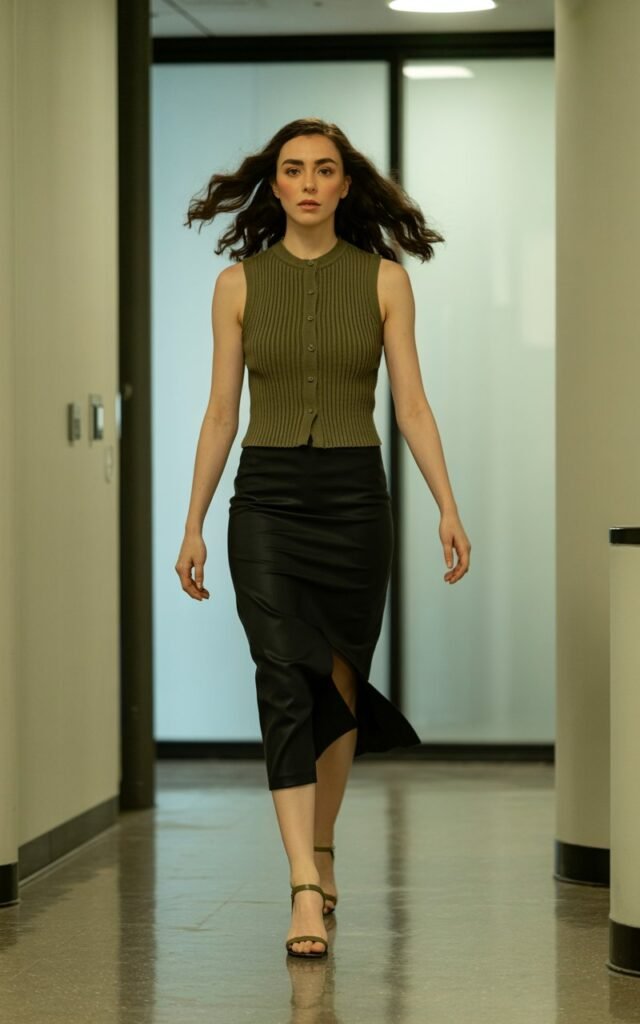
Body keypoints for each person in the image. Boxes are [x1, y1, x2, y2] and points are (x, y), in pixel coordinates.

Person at [175, 117, 471, 959]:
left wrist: (447, 505)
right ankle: (304, 882)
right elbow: (220, 414)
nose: (308, 182)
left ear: (347, 185)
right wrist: (193, 522)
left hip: (352, 502)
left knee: (338, 686)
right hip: (266, 501)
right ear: (275, 185)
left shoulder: (384, 281)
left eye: (325, 170)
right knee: (282, 677)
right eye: (293, 169)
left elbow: (410, 404)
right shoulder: (237, 285)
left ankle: (323, 844)